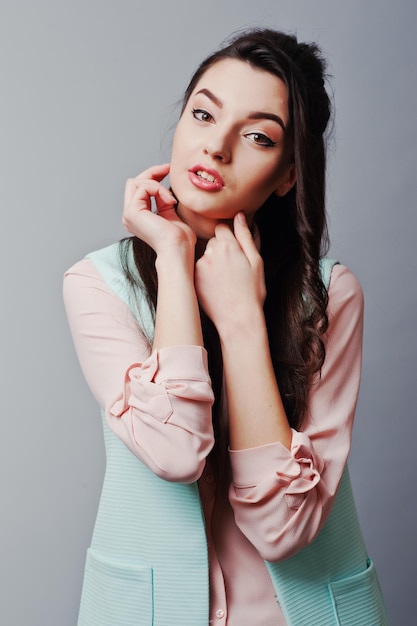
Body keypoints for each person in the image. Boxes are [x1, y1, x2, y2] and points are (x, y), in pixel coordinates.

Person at [64, 28, 389, 626]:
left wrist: (242, 320)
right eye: (204, 114)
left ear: (288, 175)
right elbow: (176, 449)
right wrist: (171, 255)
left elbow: (282, 527)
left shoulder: (330, 295)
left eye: (258, 135)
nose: (215, 147)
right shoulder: (98, 284)